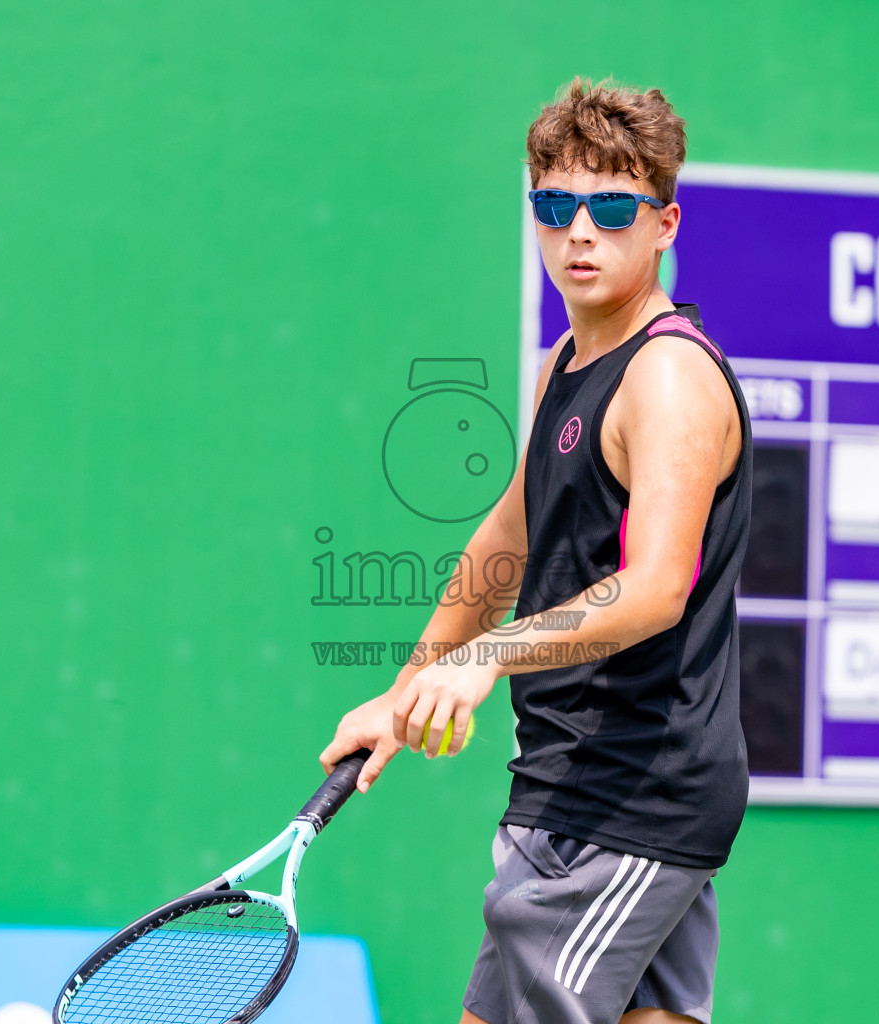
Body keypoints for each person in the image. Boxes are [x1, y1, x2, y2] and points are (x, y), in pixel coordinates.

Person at [321, 77, 752, 1024]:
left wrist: (483, 659)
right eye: (556, 206)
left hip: (618, 798)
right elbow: (506, 539)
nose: (580, 233)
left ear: (665, 223)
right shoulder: (566, 361)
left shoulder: (669, 379)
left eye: (610, 207)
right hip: (613, 794)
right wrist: (406, 694)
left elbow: (653, 592)